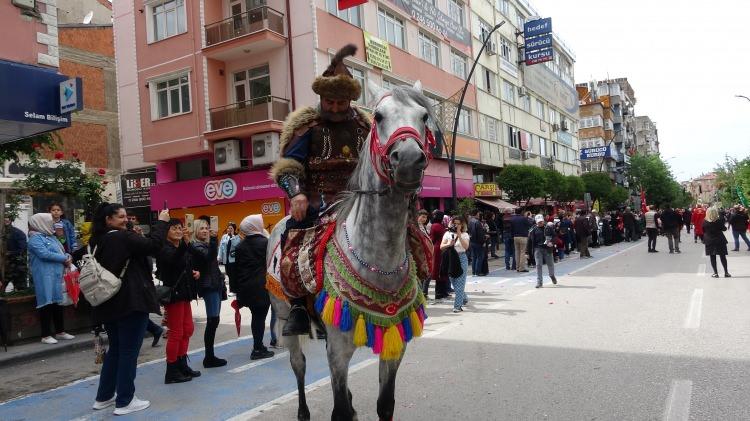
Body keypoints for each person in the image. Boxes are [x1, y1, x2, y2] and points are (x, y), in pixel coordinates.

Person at [269, 44, 372, 336]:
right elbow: (288, 165)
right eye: (330, 101)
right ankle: (299, 305)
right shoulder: (308, 126)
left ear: (350, 99)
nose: (336, 107)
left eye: (341, 103)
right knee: (294, 239)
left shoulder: (365, 128)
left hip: (359, 197)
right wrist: (296, 193)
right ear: (322, 98)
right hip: (317, 198)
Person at [90, 203, 169, 415]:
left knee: (116, 350)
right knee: (128, 352)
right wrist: (162, 222)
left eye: (127, 216)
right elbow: (154, 246)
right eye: (121, 217)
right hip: (131, 301)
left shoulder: (96, 240)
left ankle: (104, 396)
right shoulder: (121, 237)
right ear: (108, 219)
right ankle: (125, 400)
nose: (126, 220)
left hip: (108, 303)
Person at [156, 218, 202, 384]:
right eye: (174, 228)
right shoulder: (164, 248)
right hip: (174, 295)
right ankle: (172, 370)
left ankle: (182, 364)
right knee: (176, 332)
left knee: (188, 329)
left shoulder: (181, 246)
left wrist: (194, 273)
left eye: (180, 228)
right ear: (166, 231)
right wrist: (184, 243)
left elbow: (189, 262)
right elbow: (174, 261)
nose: (178, 231)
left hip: (185, 293)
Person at [27, 213, 75, 345]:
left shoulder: (50, 236)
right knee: (46, 303)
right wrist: (64, 258)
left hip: (56, 274)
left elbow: (61, 250)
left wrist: (67, 255)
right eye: (49, 221)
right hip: (44, 275)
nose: (52, 224)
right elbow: (44, 254)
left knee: (57, 302)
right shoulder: (35, 239)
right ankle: (45, 334)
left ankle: (60, 332)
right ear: (41, 223)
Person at [234, 214, 275, 360]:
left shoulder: (240, 246)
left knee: (256, 316)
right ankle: (257, 348)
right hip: (261, 286)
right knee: (260, 318)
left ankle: (258, 345)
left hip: (246, 287)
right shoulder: (265, 242)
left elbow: (236, 269)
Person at [191, 219, 228, 368]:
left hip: (215, 284)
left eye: (207, 228)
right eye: (202, 229)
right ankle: (209, 357)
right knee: (212, 321)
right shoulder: (196, 245)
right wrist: (214, 239)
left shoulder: (204, 244)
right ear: (195, 231)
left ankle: (210, 356)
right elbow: (209, 257)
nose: (205, 230)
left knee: (215, 320)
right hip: (209, 286)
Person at [440, 216, 469, 313]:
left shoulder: (465, 235)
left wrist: (459, 234)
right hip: (450, 258)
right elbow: (441, 246)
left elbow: (465, 247)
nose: (456, 225)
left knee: (460, 282)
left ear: (462, 225)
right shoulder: (447, 233)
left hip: (461, 258)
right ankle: (463, 297)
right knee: (454, 281)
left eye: (458, 223)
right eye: (454, 223)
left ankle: (457, 306)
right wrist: (449, 244)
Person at [529, 216, 557, 288]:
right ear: (536, 222)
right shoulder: (533, 229)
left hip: (547, 249)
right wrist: (526, 252)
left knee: (550, 264)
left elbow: (555, 237)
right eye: (539, 222)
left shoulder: (548, 228)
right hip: (538, 249)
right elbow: (529, 241)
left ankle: (552, 275)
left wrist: (552, 242)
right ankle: (539, 282)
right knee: (538, 265)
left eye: (541, 221)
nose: (540, 223)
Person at [703, 206, 731, 278]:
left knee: (712, 257)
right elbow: (724, 229)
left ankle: (715, 273)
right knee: (723, 256)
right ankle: (726, 272)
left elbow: (703, 230)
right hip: (720, 240)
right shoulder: (719, 220)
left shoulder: (704, 221)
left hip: (709, 241)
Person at [429, 211, 450, 302]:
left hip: (437, 249)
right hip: (443, 248)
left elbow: (432, 239)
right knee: (442, 270)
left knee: (439, 270)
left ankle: (439, 293)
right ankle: (442, 292)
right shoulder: (441, 226)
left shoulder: (434, 226)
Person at [5, 217, 28, 290]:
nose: (5, 220)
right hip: (4, 266)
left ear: (11, 220)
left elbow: (22, 249)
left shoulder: (17, 233)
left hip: (16, 266)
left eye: (8, 218)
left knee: (20, 289)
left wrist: (9, 253)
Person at [218, 222, 240, 294]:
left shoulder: (237, 237)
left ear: (234, 229)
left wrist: (232, 236)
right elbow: (221, 247)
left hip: (233, 260)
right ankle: (233, 289)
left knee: (233, 275)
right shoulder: (224, 236)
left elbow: (235, 245)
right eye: (228, 228)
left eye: (231, 228)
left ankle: (233, 290)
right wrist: (219, 256)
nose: (229, 229)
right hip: (226, 259)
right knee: (229, 274)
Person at [467, 209, 487, 276]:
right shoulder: (477, 222)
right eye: (478, 214)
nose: (479, 215)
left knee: (474, 257)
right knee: (479, 257)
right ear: (476, 214)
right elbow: (480, 234)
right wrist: (483, 241)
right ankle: (477, 271)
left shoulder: (470, 221)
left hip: (472, 241)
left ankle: (474, 271)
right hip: (478, 242)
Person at [416, 210, 431, 295]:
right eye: (422, 217)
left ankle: (422, 294)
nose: (424, 219)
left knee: (425, 275)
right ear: (417, 216)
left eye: (425, 217)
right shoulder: (415, 227)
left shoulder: (423, 226)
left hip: (424, 254)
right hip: (418, 255)